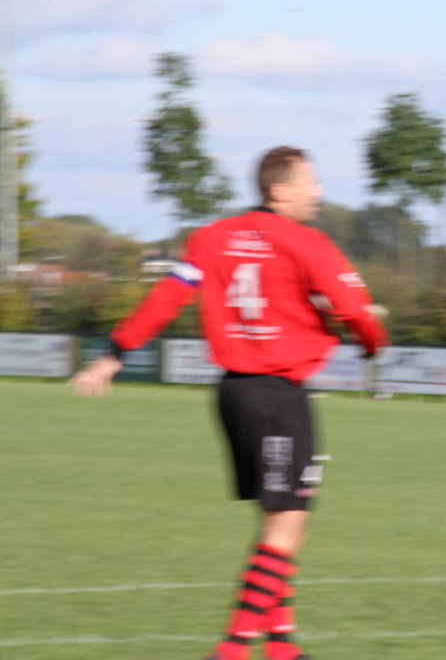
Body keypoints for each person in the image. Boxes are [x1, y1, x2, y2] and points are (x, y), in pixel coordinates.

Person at [70, 147, 388, 660]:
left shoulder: (210, 237)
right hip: (277, 396)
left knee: (283, 519)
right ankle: (232, 649)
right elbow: (355, 309)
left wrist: (115, 352)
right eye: (311, 183)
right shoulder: (308, 242)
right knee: (285, 527)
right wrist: (373, 343)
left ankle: (282, 647)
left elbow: (168, 296)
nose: (320, 192)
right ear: (279, 190)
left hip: (232, 393)